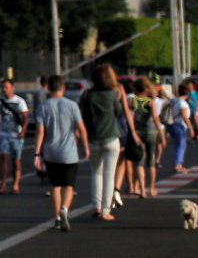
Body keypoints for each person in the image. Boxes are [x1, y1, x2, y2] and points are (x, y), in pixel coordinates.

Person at [79, 64, 139, 225]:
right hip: (112, 137)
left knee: (96, 173)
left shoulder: (87, 94)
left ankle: (96, 206)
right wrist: (133, 132)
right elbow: (122, 112)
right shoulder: (115, 93)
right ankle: (106, 210)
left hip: (93, 138)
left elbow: (82, 115)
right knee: (109, 174)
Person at [30, 74, 84, 229]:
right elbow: (81, 128)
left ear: (48, 88)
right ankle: (64, 209)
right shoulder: (72, 105)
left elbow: (40, 131)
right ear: (63, 88)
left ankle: (57, 218)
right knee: (69, 185)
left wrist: (36, 152)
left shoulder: (43, 107)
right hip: (69, 152)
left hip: (50, 151)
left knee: (55, 186)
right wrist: (85, 146)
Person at [0, 72, 29, 197]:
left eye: (7, 87)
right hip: (4, 134)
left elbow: (25, 117)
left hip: (16, 134)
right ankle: (3, 184)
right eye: (3, 87)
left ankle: (16, 184)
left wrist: (23, 131)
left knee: (16, 160)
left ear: (12, 88)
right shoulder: (0, 102)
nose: (4, 90)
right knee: (3, 158)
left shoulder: (20, 101)